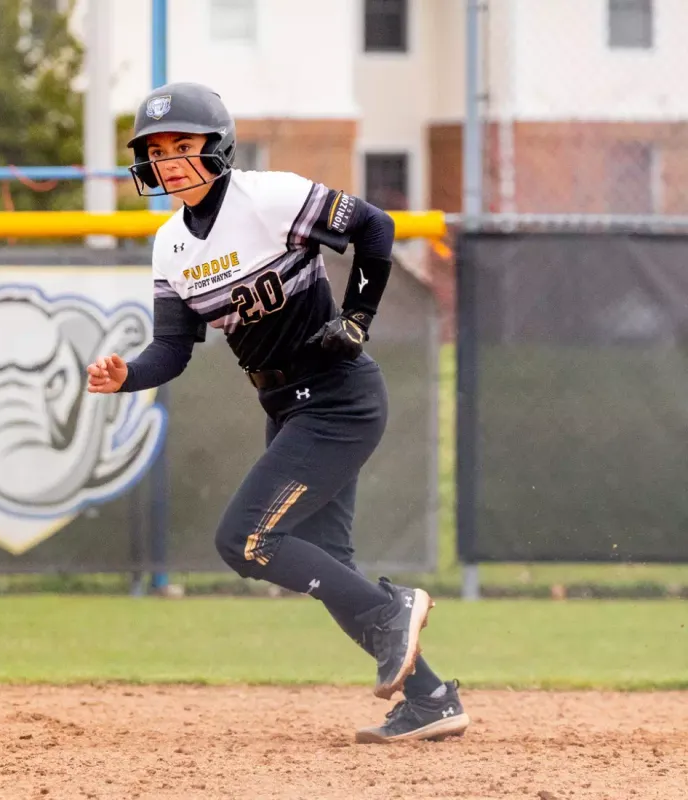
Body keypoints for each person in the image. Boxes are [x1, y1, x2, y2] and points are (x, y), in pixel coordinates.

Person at [87, 82, 471, 744]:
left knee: (245, 540)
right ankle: (431, 698)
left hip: (338, 398)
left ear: (218, 147)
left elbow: (375, 226)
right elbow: (174, 350)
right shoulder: (170, 244)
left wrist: (358, 317)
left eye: (184, 144)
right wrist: (127, 376)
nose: (170, 159)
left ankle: (393, 610)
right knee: (329, 565)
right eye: (157, 149)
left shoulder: (266, 198)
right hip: (287, 409)